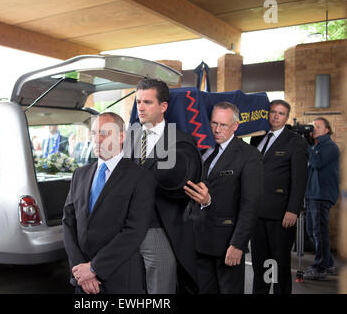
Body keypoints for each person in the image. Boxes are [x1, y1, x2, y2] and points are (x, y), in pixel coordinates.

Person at [62, 112, 156, 294]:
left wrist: (94, 269)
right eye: (94, 134)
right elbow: (68, 223)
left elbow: (134, 231)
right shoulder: (80, 174)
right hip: (82, 281)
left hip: (119, 278)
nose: (97, 140)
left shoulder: (140, 178)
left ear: (122, 136)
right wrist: (80, 269)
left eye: (104, 133)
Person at [125, 78, 201, 294]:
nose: (140, 107)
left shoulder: (182, 141)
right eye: (138, 101)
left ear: (163, 106)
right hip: (129, 229)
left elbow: (188, 189)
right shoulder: (132, 137)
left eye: (147, 102)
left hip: (162, 229)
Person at [184, 101, 263, 294]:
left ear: (235, 126)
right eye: (213, 123)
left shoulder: (248, 155)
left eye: (223, 125)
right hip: (198, 239)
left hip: (226, 243)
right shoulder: (203, 150)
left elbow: (250, 205)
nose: (217, 130)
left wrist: (238, 244)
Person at [249, 100, 308, 294]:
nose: (276, 116)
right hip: (257, 212)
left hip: (280, 213)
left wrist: (293, 210)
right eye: (273, 112)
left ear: (287, 117)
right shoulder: (257, 139)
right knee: (261, 262)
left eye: (281, 114)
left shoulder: (295, 141)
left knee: (279, 263)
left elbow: (299, 180)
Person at [303, 117, 340, 280]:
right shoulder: (316, 146)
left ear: (327, 130)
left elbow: (317, 163)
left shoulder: (329, 147)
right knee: (313, 231)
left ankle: (320, 268)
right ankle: (329, 263)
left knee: (318, 232)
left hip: (322, 195)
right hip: (313, 195)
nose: (314, 128)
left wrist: (307, 144)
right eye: (313, 126)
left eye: (318, 126)